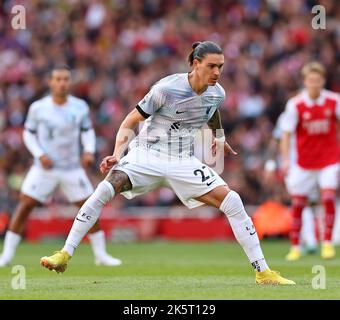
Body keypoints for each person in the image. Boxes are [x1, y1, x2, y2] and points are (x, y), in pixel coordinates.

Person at [41, 41, 295, 285]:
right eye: (211, 66)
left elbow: (212, 110)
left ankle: (263, 273)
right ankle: (64, 253)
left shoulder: (217, 93)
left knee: (233, 201)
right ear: (196, 64)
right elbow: (130, 121)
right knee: (105, 188)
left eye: (220, 67)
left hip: (182, 161)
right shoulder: (166, 89)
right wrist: (118, 153)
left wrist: (220, 137)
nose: (217, 72)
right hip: (147, 154)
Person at [0, 65, 121, 267]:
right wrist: (40, 154)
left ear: (69, 82)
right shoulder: (38, 108)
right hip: (44, 168)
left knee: (90, 206)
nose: (62, 83)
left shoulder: (79, 106)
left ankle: (101, 254)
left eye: (65, 79)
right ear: (50, 82)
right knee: (25, 205)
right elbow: (28, 133)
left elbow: (87, 131)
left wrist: (89, 151)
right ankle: (7, 255)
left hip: (72, 168)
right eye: (58, 79)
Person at [281, 62, 340, 260]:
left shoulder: (334, 101)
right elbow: (286, 134)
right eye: (310, 80)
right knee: (298, 203)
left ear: (323, 81)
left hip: (329, 159)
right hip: (304, 162)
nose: (314, 83)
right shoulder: (295, 104)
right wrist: (286, 160)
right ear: (305, 82)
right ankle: (296, 246)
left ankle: (328, 243)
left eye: (318, 80)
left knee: (328, 198)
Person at [264, 112, 318, 258]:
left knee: (303, 202)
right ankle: (307, 241)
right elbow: (275, 142)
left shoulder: (313, 114)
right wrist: (270, 164)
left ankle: (304, 241)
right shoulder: (286, 117)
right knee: (300, 201)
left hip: (310, 164)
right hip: (293, 166)